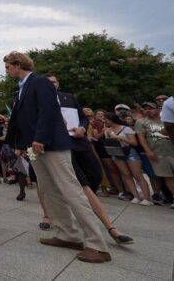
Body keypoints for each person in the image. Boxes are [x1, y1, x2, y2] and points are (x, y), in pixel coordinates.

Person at [4, 51, 110, 263]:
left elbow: (49, 111)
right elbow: (22, 119)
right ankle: (68, 234)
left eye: (8, 66)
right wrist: (19, 145)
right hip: (34, 146)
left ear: (18, 64)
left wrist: (40, 138)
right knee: (49, 190)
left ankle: (97, 245)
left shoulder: (40, 82)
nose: (6, 70)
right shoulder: (21, 88)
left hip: (50, 144)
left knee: (71, 190)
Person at [46, 75, 133, 245]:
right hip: (61, 147)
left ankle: (82, 212)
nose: (51, 85)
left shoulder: (68, 98)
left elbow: (84, 118)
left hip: (80, 142)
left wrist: (82, 127)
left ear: (59, 83)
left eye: (54, 82)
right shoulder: (40, 101)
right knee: (83, 185)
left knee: (95, 176)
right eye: (47, 83)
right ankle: (110, 228)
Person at [102, 111, 153, 205]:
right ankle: (136, 196)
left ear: (111, 119)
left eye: (105, 119)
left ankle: (147, 198)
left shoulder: (126, 129)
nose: (103, 120)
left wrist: (119, 138)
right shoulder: (107, 130)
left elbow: (134, 143)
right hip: (116, 153)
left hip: (130, 153)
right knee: (126, 175)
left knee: (138, 176)